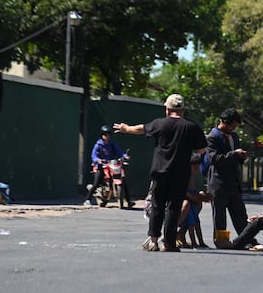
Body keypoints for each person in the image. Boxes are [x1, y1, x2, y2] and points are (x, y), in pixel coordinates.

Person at [114, 93, 207, 252]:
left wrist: (125, 128)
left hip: (160, 171)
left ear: (167, 109)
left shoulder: (159, 124)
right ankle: (168, 243)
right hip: (180, 173)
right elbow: (202, 149)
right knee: (173, 207)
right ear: (183, 110)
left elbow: (141, 128)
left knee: (157, 205)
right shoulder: (191, 127)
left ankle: (153, 241)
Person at [206, 108, 249, 245]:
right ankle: (221, 240)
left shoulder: (234, 136)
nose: (233, 129)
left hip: (233, 183)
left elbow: (236, 158)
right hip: (219, 184)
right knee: (219, 216)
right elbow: (214, 159)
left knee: (240, 214)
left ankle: (246, 240)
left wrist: (241, 157)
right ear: (224, 122)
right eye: (232, 126)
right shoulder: (212, 137)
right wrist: (234, 154)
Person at [84, 125, 132, 208]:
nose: (107, 136)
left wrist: (124, 156)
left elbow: (119, 152)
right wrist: (97, 160)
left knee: (123, 180)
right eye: (105, 135)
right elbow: (93, 155)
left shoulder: (112, 144)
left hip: (112, 165)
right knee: (96, 182)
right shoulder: (98, 145)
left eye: (108, 135)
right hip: (101, 166)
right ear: (102, 135)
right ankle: (87, 200)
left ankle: (128, 201)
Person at [176, 153, 212, 248]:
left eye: (197, 168)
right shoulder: (185, 176)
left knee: (197, 222)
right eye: (195, 168)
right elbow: (185, 192)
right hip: (188, 201)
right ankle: (194, 242)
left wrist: (199, 194)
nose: (196, 170)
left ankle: (201, 241)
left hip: (192, 201)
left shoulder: (191, 176)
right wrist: (194, 198)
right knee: (191, 224)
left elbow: (193, 190)